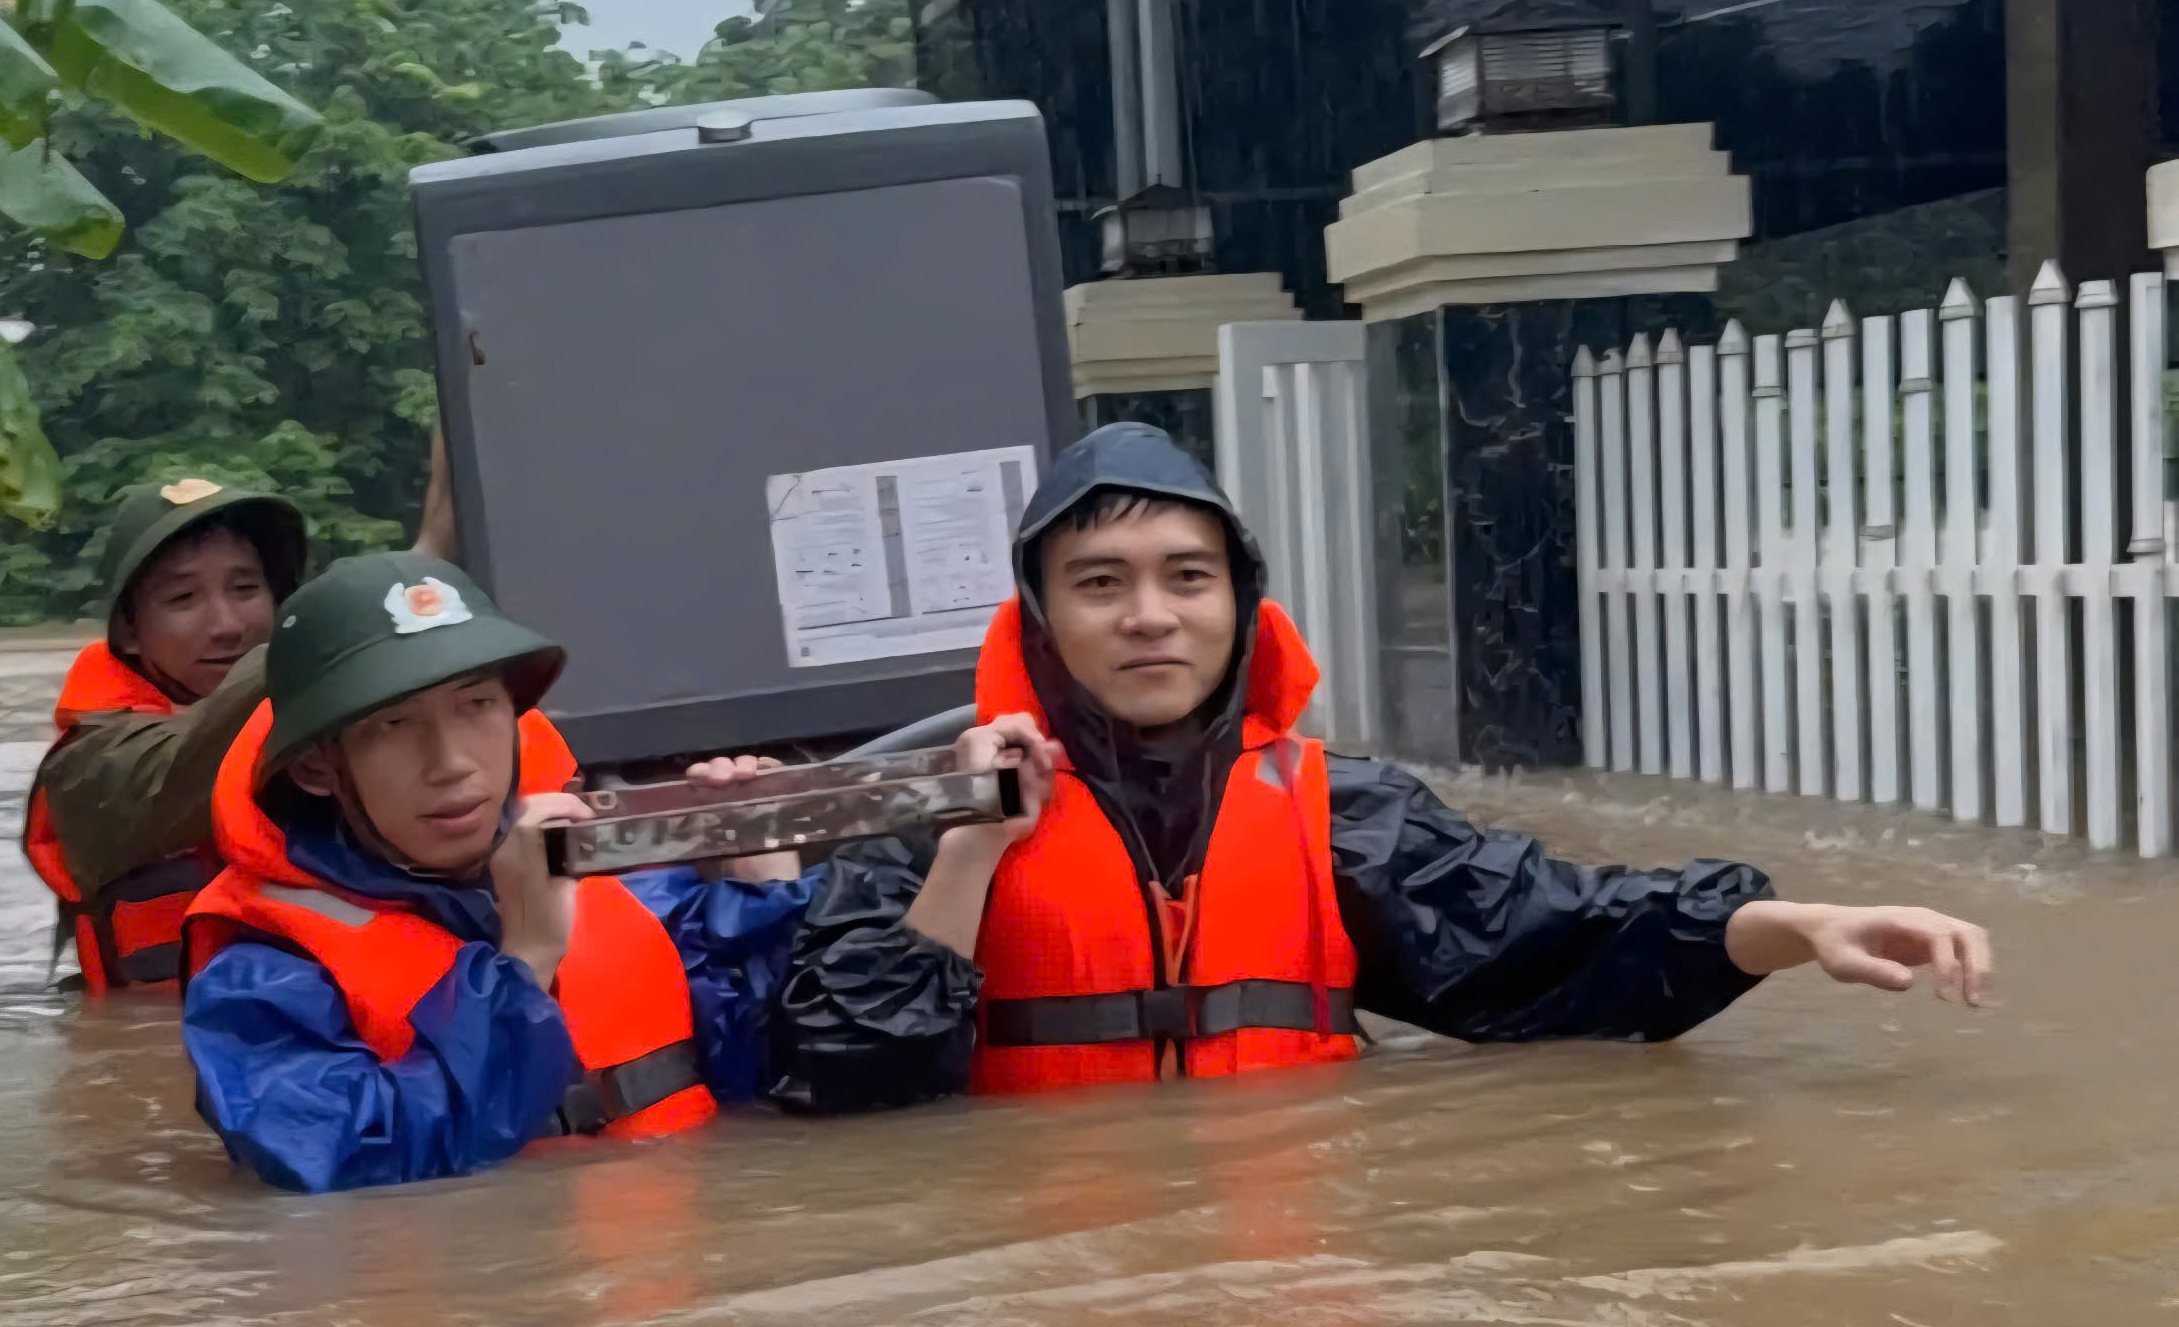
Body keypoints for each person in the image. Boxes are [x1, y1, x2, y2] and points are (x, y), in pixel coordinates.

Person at [770, 422, 1994, 1106]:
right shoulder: (924, 819)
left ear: (1238, 608)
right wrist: (973, 846)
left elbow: (1560, 942)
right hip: (1035, 1278)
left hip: (1289, 1270)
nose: (1149, 616)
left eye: (1186, 579)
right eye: (1101, 585)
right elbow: (846, 1078)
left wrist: (1798, 925)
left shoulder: (1339, 811)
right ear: (1043, 622)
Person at [180, 553, 816, 1192]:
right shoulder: (260, 982)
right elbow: (350, 1169)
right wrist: (529, 958)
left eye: (477, 705)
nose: (451, 762)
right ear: (318, 769)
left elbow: (794, 1065)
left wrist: (767, 886)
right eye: (394, 724)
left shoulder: (628, 890)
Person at [22, 443, 566, 994]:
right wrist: (354, 638)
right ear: (131, 632)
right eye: (183, 598)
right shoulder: (88, 769)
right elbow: (186, 763)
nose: (227, 624)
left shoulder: (369, 727)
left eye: (246, 589)